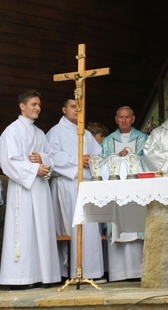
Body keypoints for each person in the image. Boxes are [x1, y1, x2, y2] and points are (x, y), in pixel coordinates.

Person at [0, 90, 61, 289]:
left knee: (41, 231)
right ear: (22, 106)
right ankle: (20, 278)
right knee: (24, 231)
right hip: (23, 190)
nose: (38, 108)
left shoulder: (39, 133)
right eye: (34, 104)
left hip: (41, 188)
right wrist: (35, 168)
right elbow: (8, 161)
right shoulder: (12, 131)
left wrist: (43, 162)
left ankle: (43, 275)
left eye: (39, 105)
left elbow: (51, 158)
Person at [46, 94, 104, 281]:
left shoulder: (86, 134)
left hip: (85, 186)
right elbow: (52, 157)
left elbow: (99, 155)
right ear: (64, 110)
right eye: (72, 106)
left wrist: (91, 161)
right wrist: (78, 161)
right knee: (70, 228)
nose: (76, 110)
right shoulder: (56, 132)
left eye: (79, 106)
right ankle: (69, 272)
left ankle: (91, 272)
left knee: (89, 229)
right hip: (67, 185)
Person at [101, 106, 147, 282]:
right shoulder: (107, 141)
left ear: (133, 119)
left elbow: (148, 159)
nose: (124, 120)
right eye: (121, 117)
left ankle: (138, 271)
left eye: (127, 117)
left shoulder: (142, 138)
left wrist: (131, 156)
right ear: (116, 119)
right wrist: (116, 158)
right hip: (116, 192)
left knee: (135, 226)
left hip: (135, 191)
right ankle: (118, 273)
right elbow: (102, 162)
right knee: (118, 223)